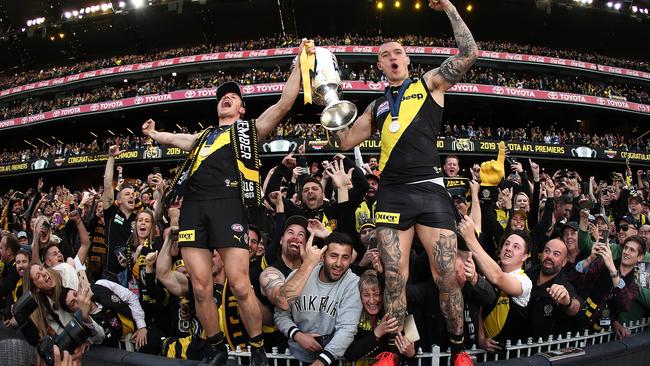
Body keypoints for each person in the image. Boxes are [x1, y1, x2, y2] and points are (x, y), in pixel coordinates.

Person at [141, 39, 314, 366]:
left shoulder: (251, 129)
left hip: (228, 203)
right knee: (201, 287)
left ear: (242, 109)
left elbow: (283, 103)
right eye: (222, 96)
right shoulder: (202, 137)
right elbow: (176, 139)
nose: (226, 98)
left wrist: (299, 65)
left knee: (239, 284)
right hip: (193, 207)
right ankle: (216, 344)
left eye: (233, 96)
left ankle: (257, 348)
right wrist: (154, 135)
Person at [332, 0, 478, 364]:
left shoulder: (430, 83)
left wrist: (448, 8)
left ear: (408, 59)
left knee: (446, 274)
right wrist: (330, 109)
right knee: (395, 276)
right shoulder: (374, 107)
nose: (393, 57)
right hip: (393, 194)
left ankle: (459, 350)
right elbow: (346, 142)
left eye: (398, 52)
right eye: (386, 55)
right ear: (379, 65)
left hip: (430, 188)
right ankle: (392, 351)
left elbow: (470, 52)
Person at [274, 232, 362, 366]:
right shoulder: (300, 275)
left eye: (345, 257)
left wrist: (321, 362)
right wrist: (298, 335)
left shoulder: (353, 284)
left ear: (351, 259)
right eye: (333, 256)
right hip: (294, 355)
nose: (339, 263)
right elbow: (280, 314)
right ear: (322, 256)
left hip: (330, 359)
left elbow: (347, 329)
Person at [525, 239, 581, 339]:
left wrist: (568, 302)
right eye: (547, 251)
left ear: (564, 262)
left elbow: (576, 308)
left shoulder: (564, 284)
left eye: (556, 254)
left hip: (541, 347)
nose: (549, 256)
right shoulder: (532, 271)